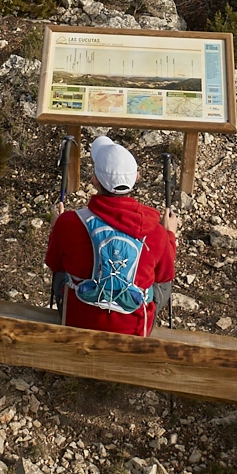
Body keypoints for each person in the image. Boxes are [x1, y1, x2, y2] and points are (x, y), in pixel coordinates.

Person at [45, 135, 179, 337]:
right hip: (132, 331)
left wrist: (57, 229)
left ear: (95, 180)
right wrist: (170, 237)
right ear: (137, 178)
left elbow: (55, 264)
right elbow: (165, 275)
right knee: (161, 282)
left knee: (62, 274)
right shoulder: (157, 232)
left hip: (78, 321)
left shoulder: (70, 223)